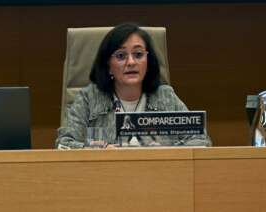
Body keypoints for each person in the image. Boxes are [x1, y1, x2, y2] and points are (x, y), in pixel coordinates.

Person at [56, 23, 211, 149]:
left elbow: (201, 140)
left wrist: (166, 151)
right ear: (108, 65)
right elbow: (64, 144)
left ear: (148, 62)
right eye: (121, 56)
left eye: (138, 55)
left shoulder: (165, 97)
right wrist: (100, 150)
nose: (131, 62)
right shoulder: (89, 99)